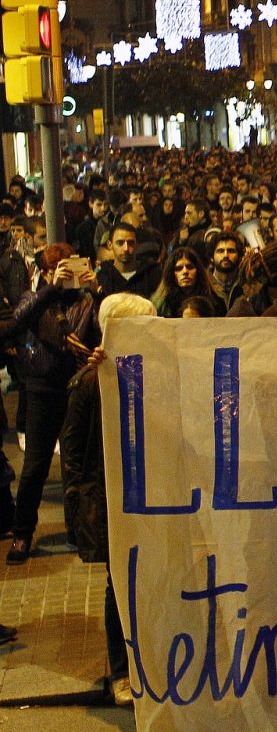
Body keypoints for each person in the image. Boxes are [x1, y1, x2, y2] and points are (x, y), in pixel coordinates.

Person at [58, 292, 156, 707]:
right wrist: (84, 506)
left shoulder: (156, 372)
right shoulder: (90, 383)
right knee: (122, 586)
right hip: (113, 500)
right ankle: (121, 671)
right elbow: (74, 452)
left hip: (154, 495)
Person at [7, 244, 97, 564]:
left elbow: (104, 331)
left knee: (77, 466)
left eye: (70, 267)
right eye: (60, 269)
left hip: (75, 391)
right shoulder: (34, 299)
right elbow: (17, 322)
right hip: (41, 393)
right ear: (46, 272)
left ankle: (78, 530)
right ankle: (22, 533)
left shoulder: (86, 302)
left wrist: (97, 289)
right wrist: (51, 289)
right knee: (34, 468)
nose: (68, 275)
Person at [152, 246, 220, 318]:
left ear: (198, 271)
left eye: (190, 267)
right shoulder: (161, 305)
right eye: (178, 268)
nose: (185, 272)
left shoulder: (214, 302)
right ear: (171, 274)